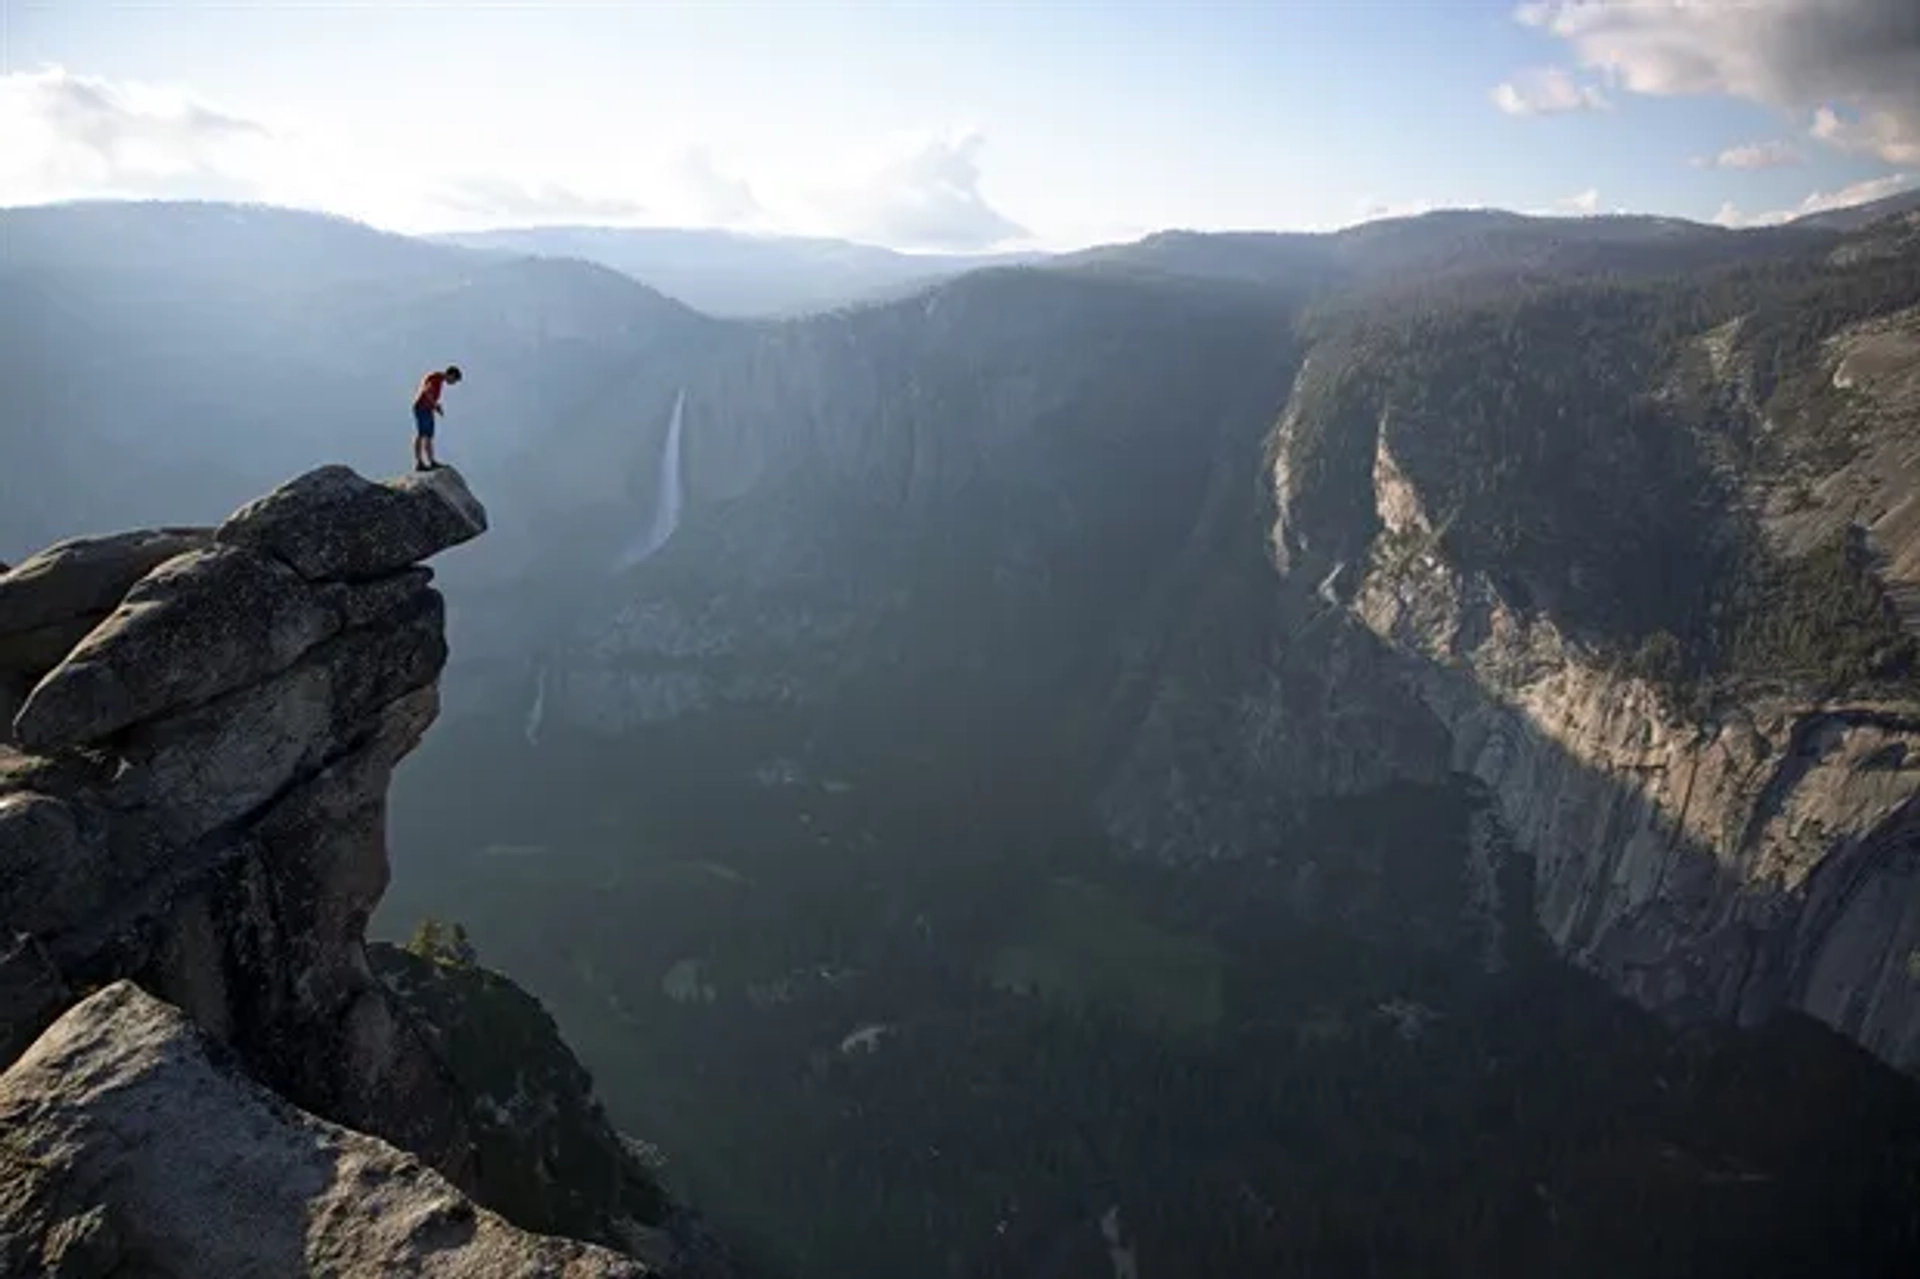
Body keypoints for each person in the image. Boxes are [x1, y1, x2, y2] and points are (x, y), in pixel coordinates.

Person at [412, 364, 463, 471]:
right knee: (422, 434)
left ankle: (431, 461)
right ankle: (419, 462)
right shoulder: (436, 378)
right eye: (454, 380)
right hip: (421, 408)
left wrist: (436, 406)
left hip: (427, 408)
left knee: (428, 436)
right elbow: (427, 391)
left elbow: (430, 394)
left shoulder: (439, 380)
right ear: (451, 375)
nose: (453, 383)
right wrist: (435, 404)